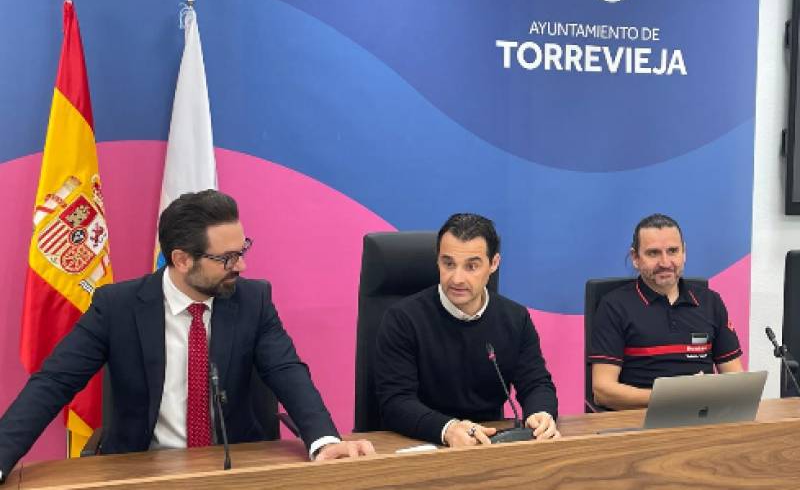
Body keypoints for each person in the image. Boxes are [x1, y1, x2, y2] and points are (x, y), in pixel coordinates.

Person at [0, 190, 373, 483]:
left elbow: (287, 370)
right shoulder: (118, 307)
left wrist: (324, 439)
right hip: (143, 469)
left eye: (242, 250)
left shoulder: (253, 300)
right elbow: (54, 382)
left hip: (235, 467)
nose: (241, 265)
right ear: (181, 260)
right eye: (227, 258)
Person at [374, 213, 559, 448]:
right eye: (448, 264)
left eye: (471, 266)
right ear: (437, 261)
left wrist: (541, 413)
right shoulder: (403, 319)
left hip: (489, 443)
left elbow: (536, 383)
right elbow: (396, 402)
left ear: (494, 264)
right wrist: (448, 429)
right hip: (422, 444)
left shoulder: (515, 318)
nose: (457, 278)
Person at [589, 213, 743, 411]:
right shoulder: (613, 306)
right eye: (653, 253)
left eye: (673, 251)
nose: (665, 262)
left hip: (703, 417)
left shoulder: (710, 302)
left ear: (684, 253)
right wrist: (673, 397)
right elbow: (602, 391)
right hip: (640, 419)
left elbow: (735, 379)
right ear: (635, 258)